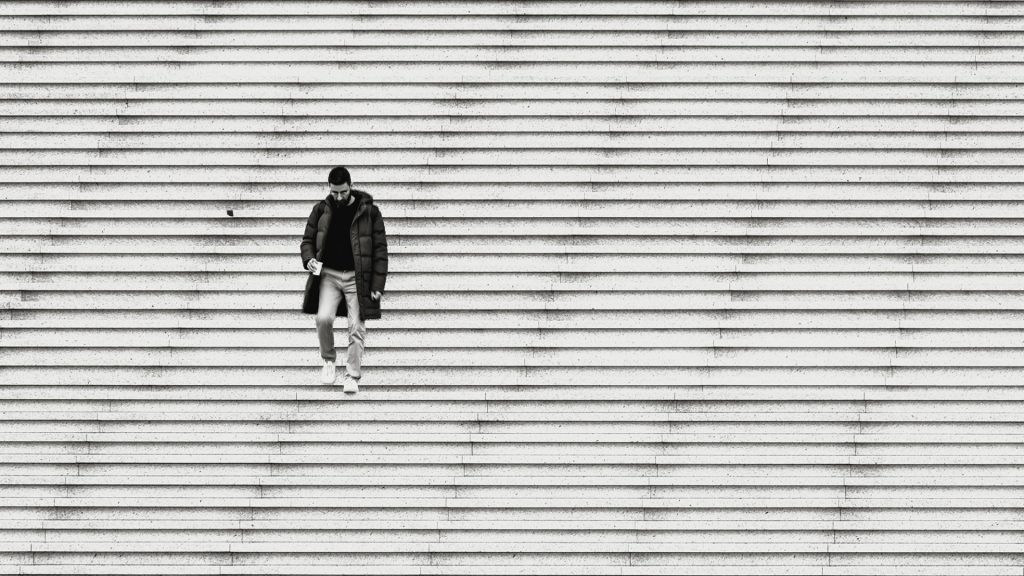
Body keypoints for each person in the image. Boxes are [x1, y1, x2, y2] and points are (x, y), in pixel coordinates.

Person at [300, 166, 388, 393]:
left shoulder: (370, 212)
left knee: (356, 327)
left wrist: (377, 285)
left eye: (343, 192)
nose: (339, 197)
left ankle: (352, 375)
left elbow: (380, 250)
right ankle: (328, 360)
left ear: (351, 187)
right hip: (328, 274)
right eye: (334, 192)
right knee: (323, 318)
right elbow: (307, 241)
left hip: (356, 278)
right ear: (329, 189)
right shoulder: (320, 210)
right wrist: (309, 259)